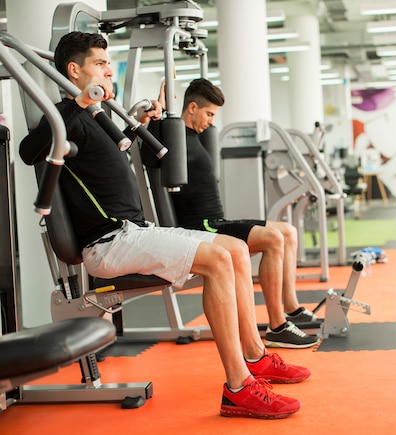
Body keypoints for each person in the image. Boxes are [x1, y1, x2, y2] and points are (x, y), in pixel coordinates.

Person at [19, 31, 308, 420]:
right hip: (108, 242)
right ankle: (238, 387)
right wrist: (77, 101)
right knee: (218, 261)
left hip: (136, 230)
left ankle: (255, 356)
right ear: (75, 70)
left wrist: (139, 122)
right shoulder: (66, 118)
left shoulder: (96, 119)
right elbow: (28, 152)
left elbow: (118, 156)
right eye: (101, 64)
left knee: (235, 249)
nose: (108, 71)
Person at [150, 79, 319, 349]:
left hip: (217, 220)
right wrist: (161, 112)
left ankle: (292, 308)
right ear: (192, 107)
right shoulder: (174, 135)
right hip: (201, 226)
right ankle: (277, 325)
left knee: (287, 231)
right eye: (209, 114)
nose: (210, 120)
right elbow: (151, 142)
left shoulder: (197, 137)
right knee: (273, 239)